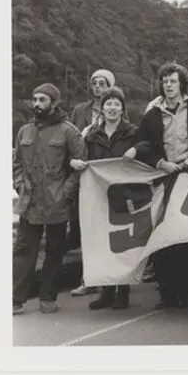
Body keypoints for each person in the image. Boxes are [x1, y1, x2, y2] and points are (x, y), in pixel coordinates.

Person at [124, 63, 188, 310]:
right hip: (163, 178)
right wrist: (160, 162)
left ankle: (184, 295)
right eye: (165, 81)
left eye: (173, 81)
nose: (168, 85)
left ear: (182, 84)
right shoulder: (152, 114)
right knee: (164, 237)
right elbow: (142, 144)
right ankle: (166, 294)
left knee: (184, 238)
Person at [13, 83, 87, 314]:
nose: (37, 104)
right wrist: (19, 184)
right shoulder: (24, 131)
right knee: (24, 251)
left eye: (42, 99)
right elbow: (16, 164)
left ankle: (48, 298)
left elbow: (79, 166)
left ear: (54, 103)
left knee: (55, 252)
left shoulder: (69, 132)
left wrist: (66, 193)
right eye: (34, 99)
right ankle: (16, 299)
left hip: (58, 201)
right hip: (30, 201)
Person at [69, 87, 137, 310]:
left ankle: (123, 292)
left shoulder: (132, 132)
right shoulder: (91, 134)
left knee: (123, 245)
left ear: (122, 109)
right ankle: (106, 292)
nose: (112, 108)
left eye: (117, 104)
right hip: (99, 196)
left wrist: (135, 150)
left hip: (124, 195)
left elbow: (146, 149)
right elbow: (79, 156)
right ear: (102, 108)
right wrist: (74, 162)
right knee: (103, 244)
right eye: (109, 103)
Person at [68, 68, 116, 297]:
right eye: (94, 83)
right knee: (86, 227)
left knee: (106, 227)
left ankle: (109, 278)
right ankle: (87, 278)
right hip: (84, 173)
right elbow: (70, 137)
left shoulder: (116, 108)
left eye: (102, 83)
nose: (97, 86)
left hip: (105, 176)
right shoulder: (80, 111)